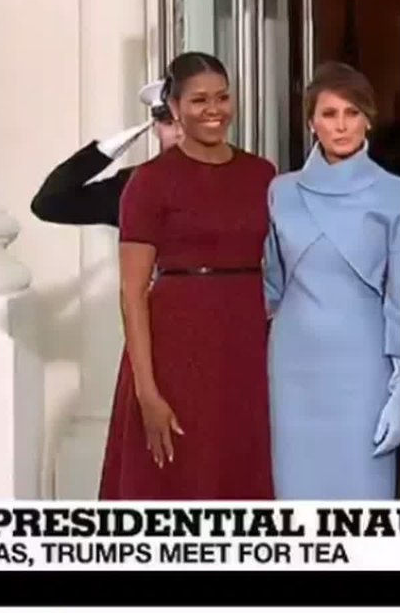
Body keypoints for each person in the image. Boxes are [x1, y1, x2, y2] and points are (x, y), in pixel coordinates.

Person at [98, 52, 276, 500]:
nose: (214, 109)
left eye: (222, 97)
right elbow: (132, 292)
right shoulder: (149, 182)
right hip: (175, 348)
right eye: (199, 100)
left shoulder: (262, 175)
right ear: (175, 108)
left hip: (245, 344)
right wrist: (147, 392)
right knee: (177, 475)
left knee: (239, 466)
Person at [264, 63, 400, 499]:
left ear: (369, 119)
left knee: (362, 492)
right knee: (296, 493)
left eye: (352, 113)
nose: (342, 125)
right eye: (329, 114)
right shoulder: (281, 191)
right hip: (293, 363)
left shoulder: (395, 193)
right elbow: (271, 284)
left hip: (364, 363)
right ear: (311, 122)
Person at [30, 81, 182, 227]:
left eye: (188, 123)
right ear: (155, 128)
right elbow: (48, 204)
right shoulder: (135, 185)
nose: (179, 133)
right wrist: (106, 149)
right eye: (169, 123)